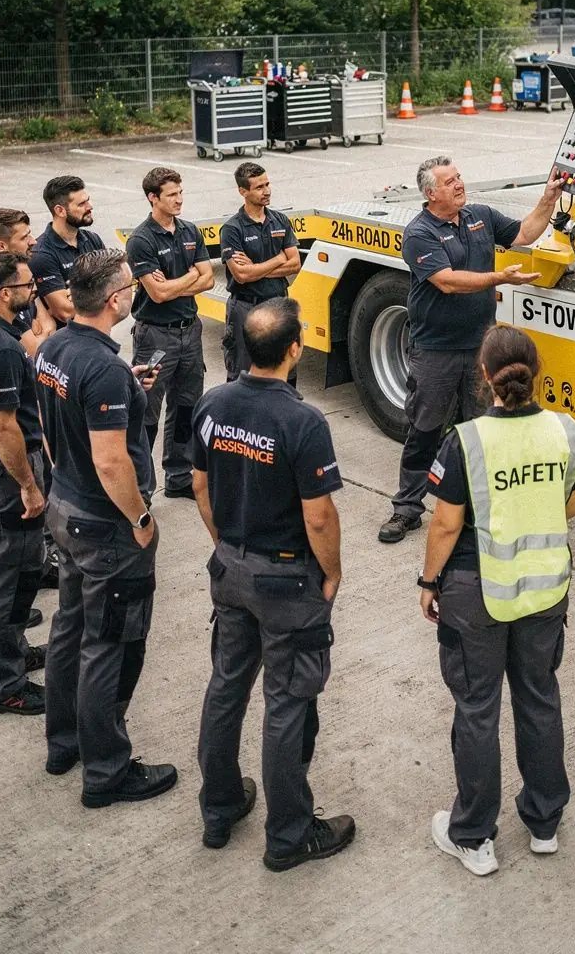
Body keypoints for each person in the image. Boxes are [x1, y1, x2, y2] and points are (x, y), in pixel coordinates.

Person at [192, 297, 354, 870]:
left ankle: (219, 807)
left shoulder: (213, 403)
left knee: (226, 686)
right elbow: (319, 516)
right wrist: (332, 572)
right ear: (295, 350)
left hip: (231, 570)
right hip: (286, 581)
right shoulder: (302, 422)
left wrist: (226, 546)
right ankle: (289, 836)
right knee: (287, 704)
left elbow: (200, 485)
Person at [418, 324, 575, 876]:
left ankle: (473, 837)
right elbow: (572, 506)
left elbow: (445, 525)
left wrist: (428, 582)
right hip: (545, 590)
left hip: (479, 594)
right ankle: (544, 824)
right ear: (536, 372)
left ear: (484, 375)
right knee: (539, 700)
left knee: (477, 709)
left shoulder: (466, 440)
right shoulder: (565, 430)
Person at [38, 249, 177, 806]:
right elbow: (112, 461)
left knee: (69, 629)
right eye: (130, 289)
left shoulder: (53, 348)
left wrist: (127, 387)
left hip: (65, 510)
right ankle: (106, 772)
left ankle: (63, 744)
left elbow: (52, 425)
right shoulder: (104, 369)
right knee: (110, 645)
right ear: (116, 300)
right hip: (106, 529)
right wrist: (140, 519)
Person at [378, 156, 563, 543]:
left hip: (481, 348)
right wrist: (499, 277)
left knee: (482, 429)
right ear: (431, 193)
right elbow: (447, 281)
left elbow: (524, 233)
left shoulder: (480, 216)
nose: (459, 184)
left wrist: (548, 199)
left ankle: (479, 507)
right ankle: (407, 508)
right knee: (425, 429)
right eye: (450, 182)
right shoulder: (419, 233)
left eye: (459, 177)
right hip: (436, 349)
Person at [0, 255, 47, 716]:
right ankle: (1, 684)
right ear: (6, 293)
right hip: (8, 476)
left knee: (13, 572)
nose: (34, 289)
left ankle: (13, 652)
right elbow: (4, 426)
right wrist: (27, 484)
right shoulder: (3, 349)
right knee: (9, 578)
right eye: (28, 284)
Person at [127, 167, 214, 498]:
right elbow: (158, 294)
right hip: (155, 337)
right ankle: (141, 489)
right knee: (146, 411)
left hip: (190, 332)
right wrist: (190, 277)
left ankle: (178, 477)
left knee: (186, 407)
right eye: (172, 194)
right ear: (153, 198)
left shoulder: (190, 230)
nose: (179, 199)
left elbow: (209, 278)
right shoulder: (141, 240)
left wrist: (177, 283)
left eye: (180, 192)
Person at [220, 162, 301, 380]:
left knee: (285, 372)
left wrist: (255, 268)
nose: (267, 191)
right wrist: (278, 259)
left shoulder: (280, 220)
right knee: (242, 375)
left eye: (267, 184)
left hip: (279, 305)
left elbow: (295, 264)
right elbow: (241, 275)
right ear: (243, 191)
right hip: (246, 308)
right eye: (259, 187)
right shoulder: (232, 229)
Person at [30, 176, 105, 329]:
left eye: (88, 200)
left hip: (100, 332)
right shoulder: (41, 254)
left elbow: (118, 285)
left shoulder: (93, 240)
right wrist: (101, 290)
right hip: (68, 340)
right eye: (82, 204)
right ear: (60, 210)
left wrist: (77, 292)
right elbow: (65, 312)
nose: (90, 206)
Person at [0, 208, 56, 359]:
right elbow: (35, 351)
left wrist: (40, 332)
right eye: (24, 237)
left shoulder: (23, 275)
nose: (33, 241)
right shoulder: (5, 292)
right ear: (1, 247)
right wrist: (39, 330)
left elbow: (50, 326)